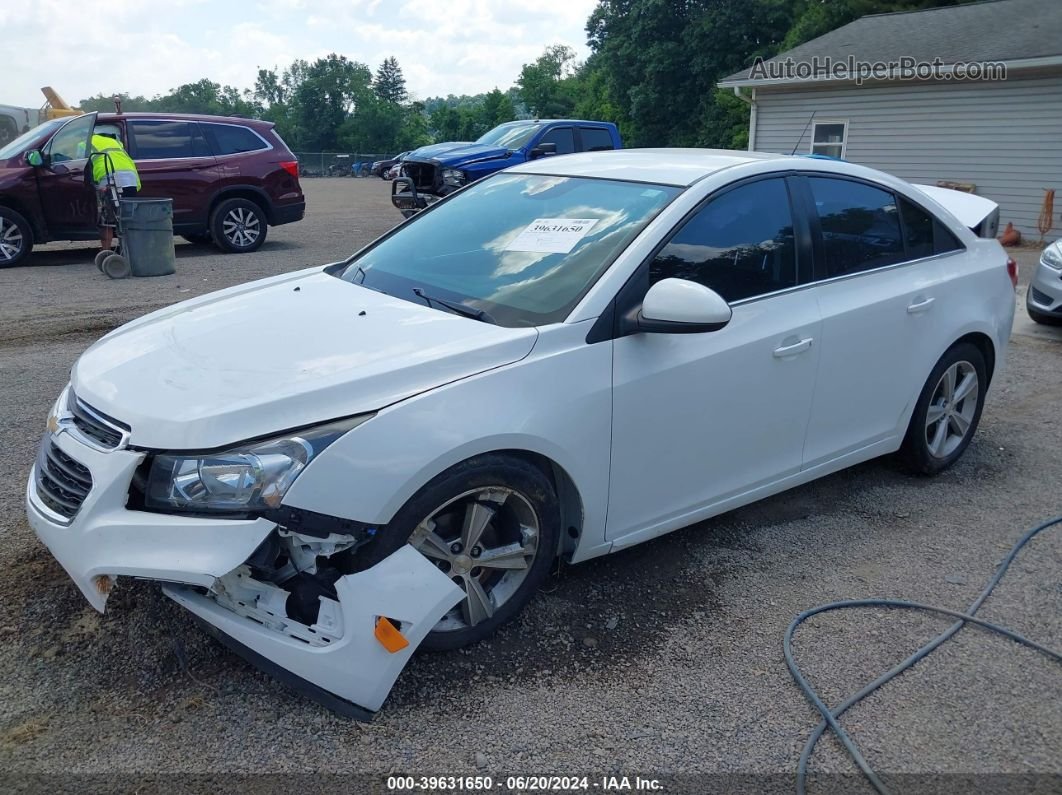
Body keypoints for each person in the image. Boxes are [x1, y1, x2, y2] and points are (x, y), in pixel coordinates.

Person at [89, 131, 140, 253]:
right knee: (127, 217)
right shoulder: (114, 141)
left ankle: (106, 252)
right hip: (130, 178)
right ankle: (130, 252)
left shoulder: (84, 143)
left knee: (106, 219)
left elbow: (78, 164)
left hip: (109, 177)